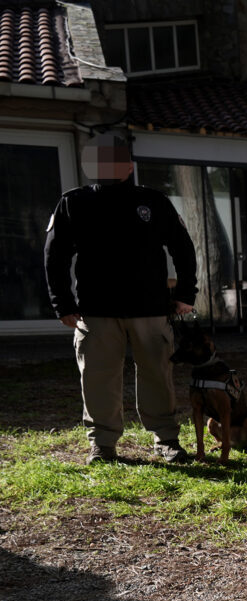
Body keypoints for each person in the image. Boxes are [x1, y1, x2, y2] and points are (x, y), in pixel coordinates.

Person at [44, 133, 198, 464]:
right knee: (98, 377)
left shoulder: (153, 202)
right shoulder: (74, 202)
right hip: (95, 311)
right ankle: (102, 445)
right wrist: (63, 304)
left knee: (158, 374)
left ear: (129, 167)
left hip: (151, 308)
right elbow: (54, 257)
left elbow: (182, 247)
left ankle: (166, 439)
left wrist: (186, 293)